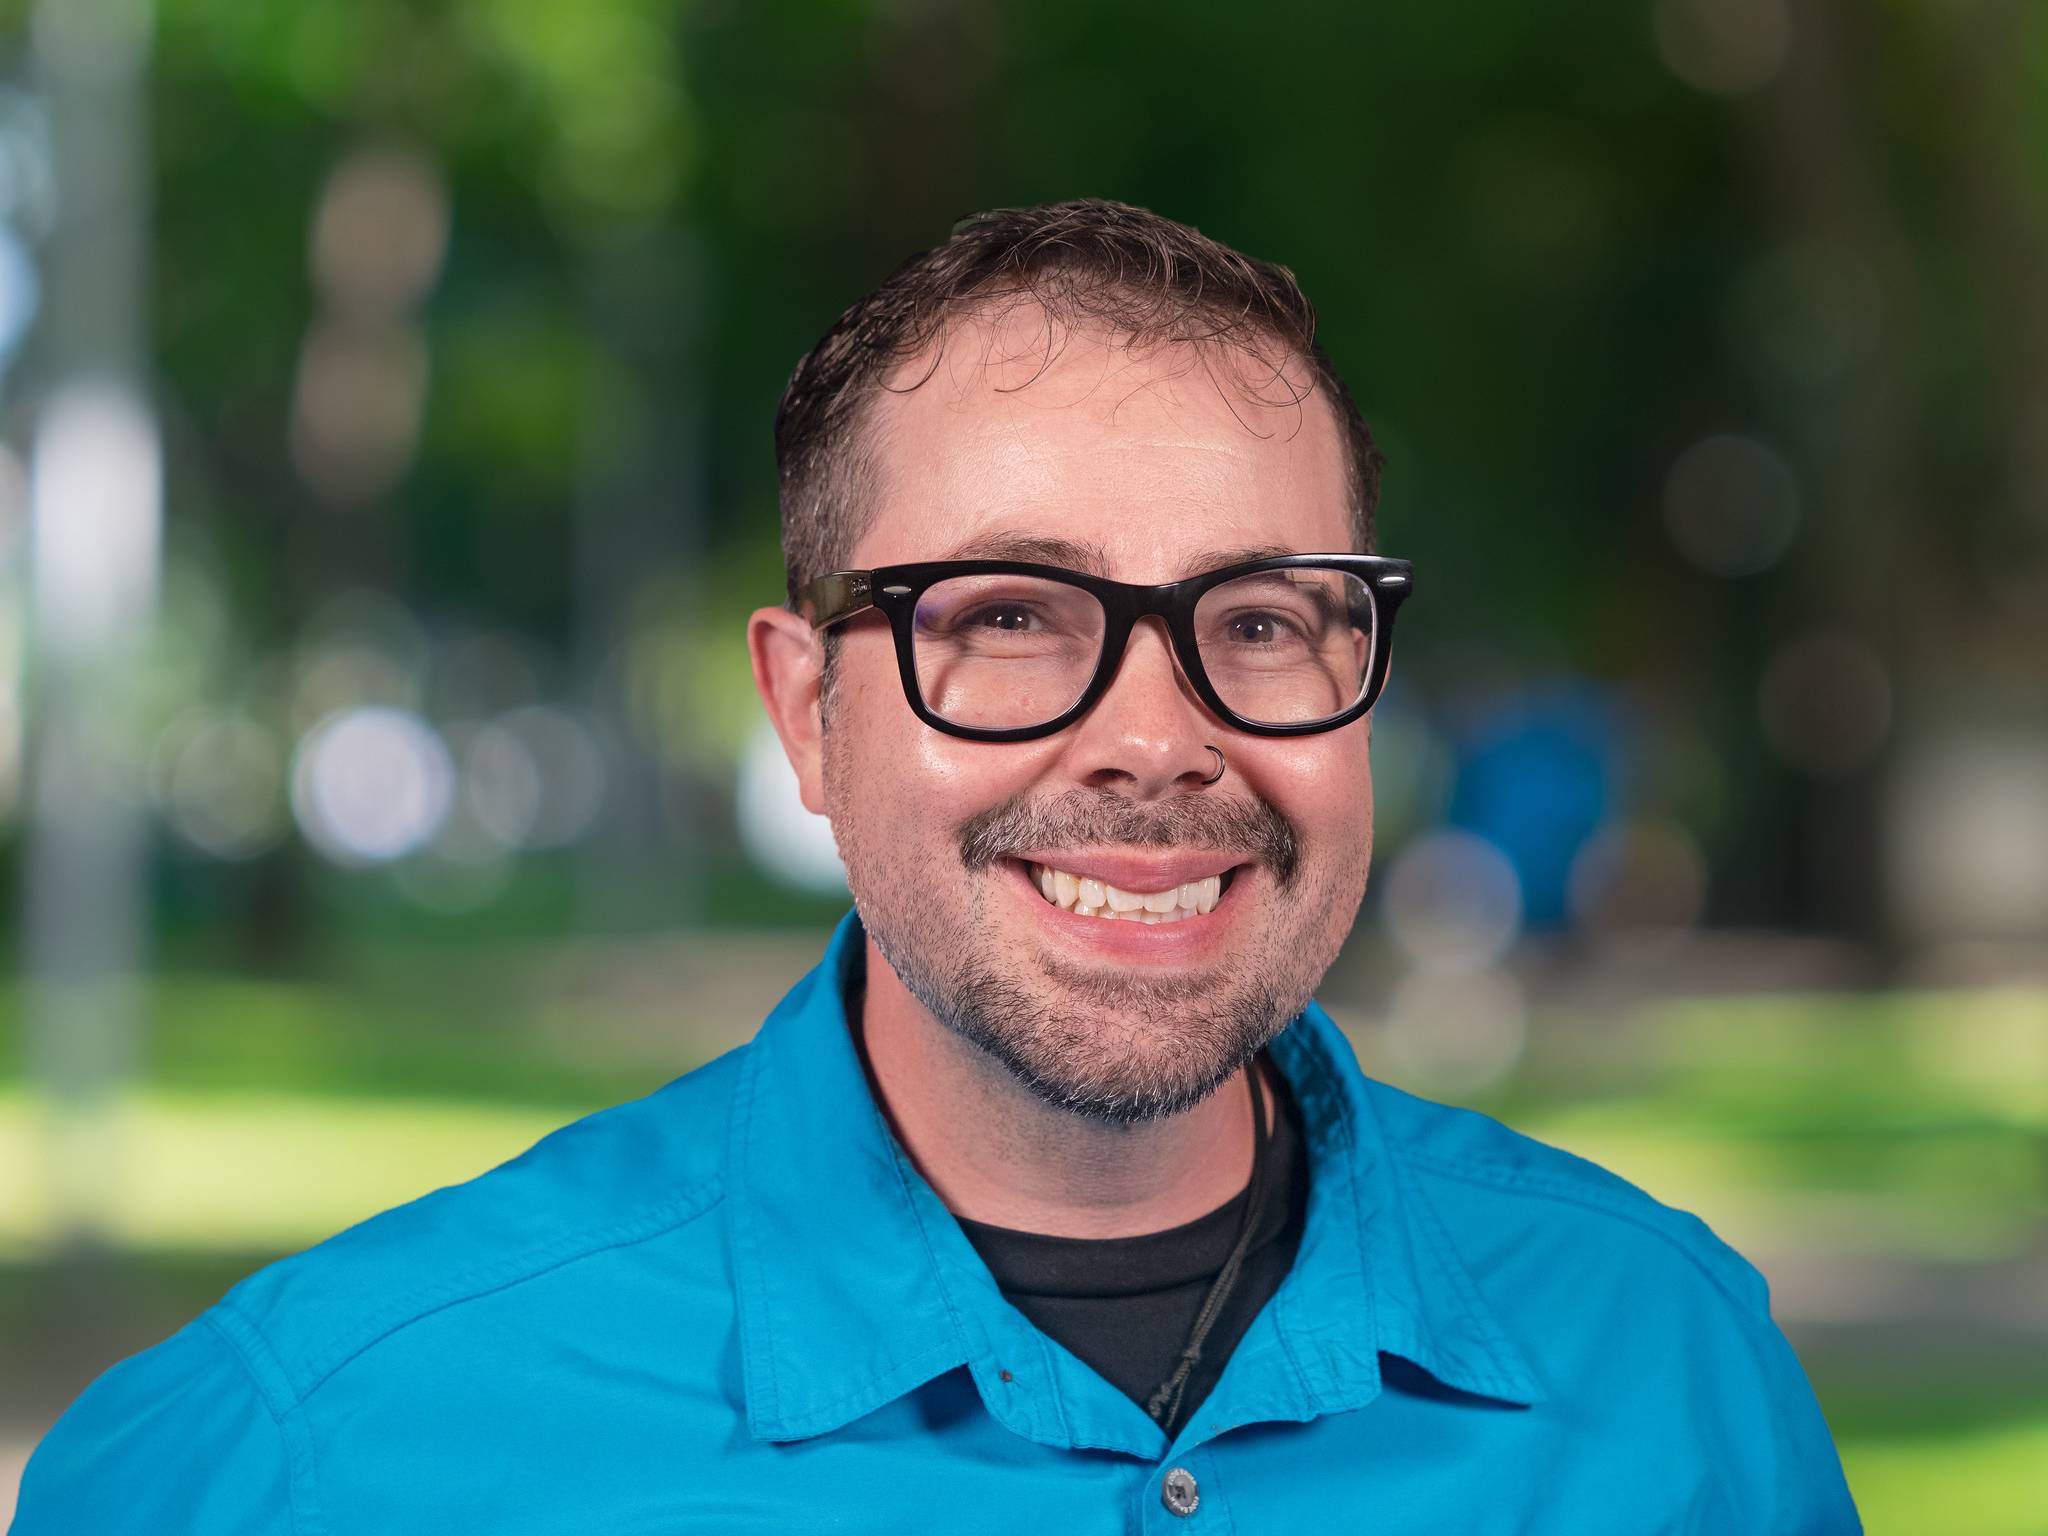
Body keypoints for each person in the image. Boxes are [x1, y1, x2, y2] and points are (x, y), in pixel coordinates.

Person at [11, 199, 1862, 1533]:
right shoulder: (314, 1455)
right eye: (1010, 617)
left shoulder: (1669, 1373)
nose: (1155, 737)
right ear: (808, 713)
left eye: (1270, 618)